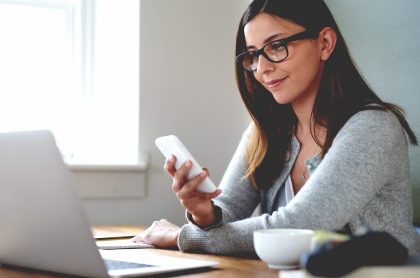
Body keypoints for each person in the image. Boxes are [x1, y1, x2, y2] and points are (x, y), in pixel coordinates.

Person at [133, 0, 420, 255]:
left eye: (277, 46)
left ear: (324, 43)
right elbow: (229, 211)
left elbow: (300, 225)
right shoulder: (266, 131)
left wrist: (183, 236)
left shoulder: (373, 127)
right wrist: (205, 214)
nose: (261, 68)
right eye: (253, 55)